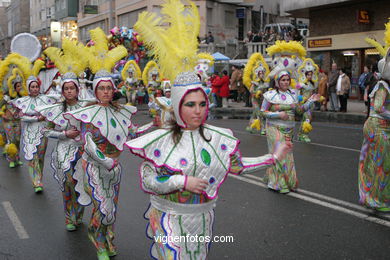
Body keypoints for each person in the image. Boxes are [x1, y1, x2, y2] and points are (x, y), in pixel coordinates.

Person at [129, 2, 292, 258]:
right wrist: (182, 181)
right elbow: (149, 181)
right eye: (190, 104)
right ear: (177, 106)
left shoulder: (219, 137)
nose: (198, 110)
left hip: (203, 219)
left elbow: (237, 166)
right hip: (168, 218)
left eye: (202, 104)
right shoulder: (158, 140)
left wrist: (274, 157)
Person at [63, 27, 153, 260]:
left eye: (108, 88)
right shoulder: (88, 113)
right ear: (95, 90)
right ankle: (99, 242)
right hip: (94, 166)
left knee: (111, 209)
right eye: (101, 88)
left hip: (115, 168)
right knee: (101, 207)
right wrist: (103, 160)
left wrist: (154, 127)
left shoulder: (120, 112)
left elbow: (131, 133)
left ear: (113, 90)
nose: (105, 91)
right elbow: (88, 142)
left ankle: (107, 239)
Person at [262, 40, 320, 193]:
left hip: (289, 130)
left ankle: (287, 181)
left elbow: (299, 112)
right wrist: (277, 114)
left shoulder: (293, 95)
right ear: (277, 81)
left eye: (287, 79)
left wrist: (310, 103)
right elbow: (263, 112)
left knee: (287, 157)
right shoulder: (270, 95)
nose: (286, 82)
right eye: (283, 80)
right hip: (274, 129)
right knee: (278, 156)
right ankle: (277, 184)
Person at [12, 76, 57, 193]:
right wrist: (37, 118)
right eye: (32, 87)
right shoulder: (23, 101)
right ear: (28, 88)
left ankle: (39, 179)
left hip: (42, 132)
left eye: (37, 86)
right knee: (32, 157)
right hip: (29, 133)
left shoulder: (45, 99)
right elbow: (21, 117)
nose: (35, 89)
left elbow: (53, 108)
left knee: (41, 156)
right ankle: (36, 182)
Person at [358, 49, 390, 212]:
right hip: (377, 127)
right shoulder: (383, 85)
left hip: (383, 127)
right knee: (378, 163)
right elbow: (378, 107)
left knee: (384, 163)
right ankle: (374, 198)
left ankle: (381, 196)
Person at [243, 53, 270, 134]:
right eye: (260, 73)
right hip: (255, 100)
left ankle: (250, 126)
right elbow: (251, 91)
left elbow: (266, 92)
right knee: (259, 114)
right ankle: (263, 129)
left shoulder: (265, 83)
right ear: (257, 74)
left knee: (255, 114)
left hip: (262, 100)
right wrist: (256, 93)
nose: (261, 74)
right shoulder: (254, 83)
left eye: (262, 73)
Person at [297, 58, 319, 143]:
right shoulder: (301, 84)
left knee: (308, 119)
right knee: (307, 118)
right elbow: (297, 95)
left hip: (311, 104)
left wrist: (317, 98)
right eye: (308, 75)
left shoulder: (312, 84)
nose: (309, 76)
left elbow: (313, 93)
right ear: (305, 75)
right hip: (304, 104)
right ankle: (304, 135)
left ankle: (301, 134)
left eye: (311, 74)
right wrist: (302, 98)